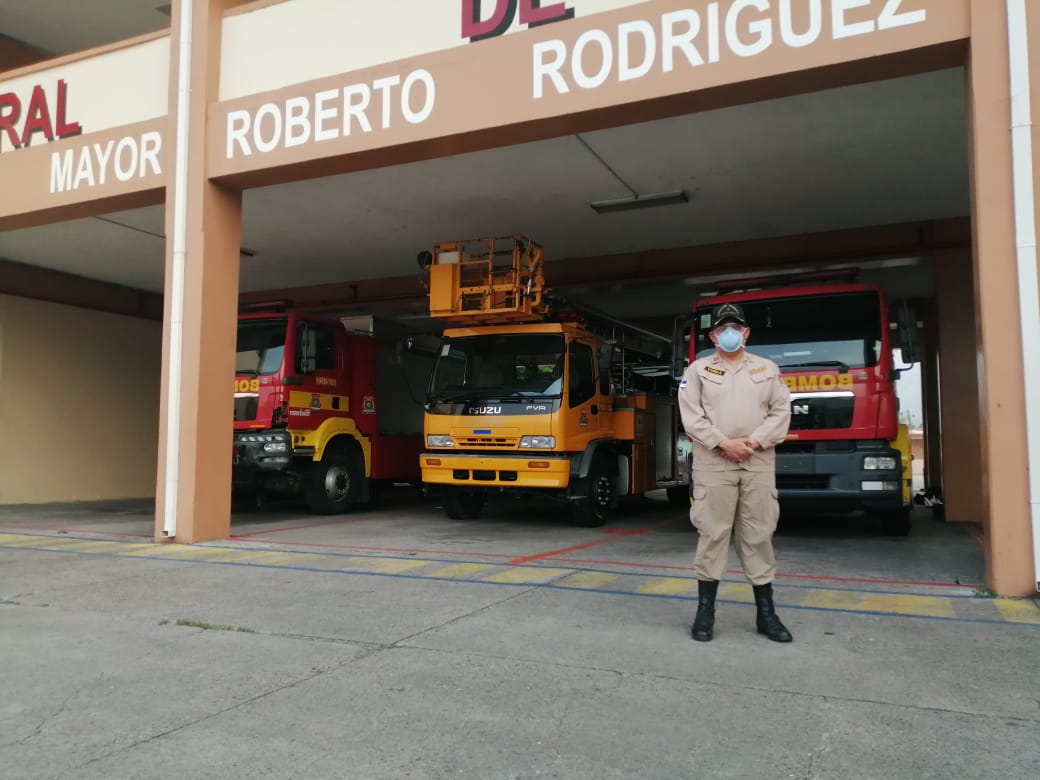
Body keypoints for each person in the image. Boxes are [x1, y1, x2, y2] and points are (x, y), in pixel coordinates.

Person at [677, 302, 793, 643]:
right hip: (714, 464)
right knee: (712, 535)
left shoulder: (767, 369)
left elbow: (781, 412)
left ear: (746, 333)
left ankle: (766, 615)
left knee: (758, 535)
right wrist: (723, 443)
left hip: (757, 462)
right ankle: (705, 613)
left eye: (736, 327)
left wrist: (753, 442)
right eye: (722, 328)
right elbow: (691, 417)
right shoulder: (697, 370)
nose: (730, 333)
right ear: (713, 336)